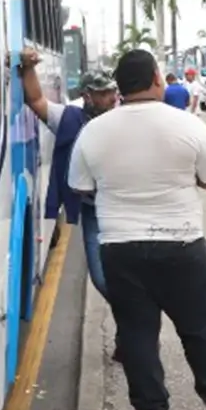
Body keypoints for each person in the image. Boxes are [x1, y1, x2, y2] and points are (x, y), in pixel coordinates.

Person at [68, 48, 206, 410]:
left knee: (136, 332)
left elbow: (80, 185)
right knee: (199, 326)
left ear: (119, 87)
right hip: (182, 242)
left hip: (120, 246)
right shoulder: (188, 124)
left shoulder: (94, 131)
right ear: (157, 79)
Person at [19, 48, 122, 361]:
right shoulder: (70, 118)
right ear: (88, 96)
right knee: (101, 277)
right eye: (103, 93)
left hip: (125, 208)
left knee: (131, 277)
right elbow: (36, 101)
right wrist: (27, 68)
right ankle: (132, 322)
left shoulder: (124, 119)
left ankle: (133, 331)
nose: (111, 98)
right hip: (92, 211)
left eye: (112, 92)